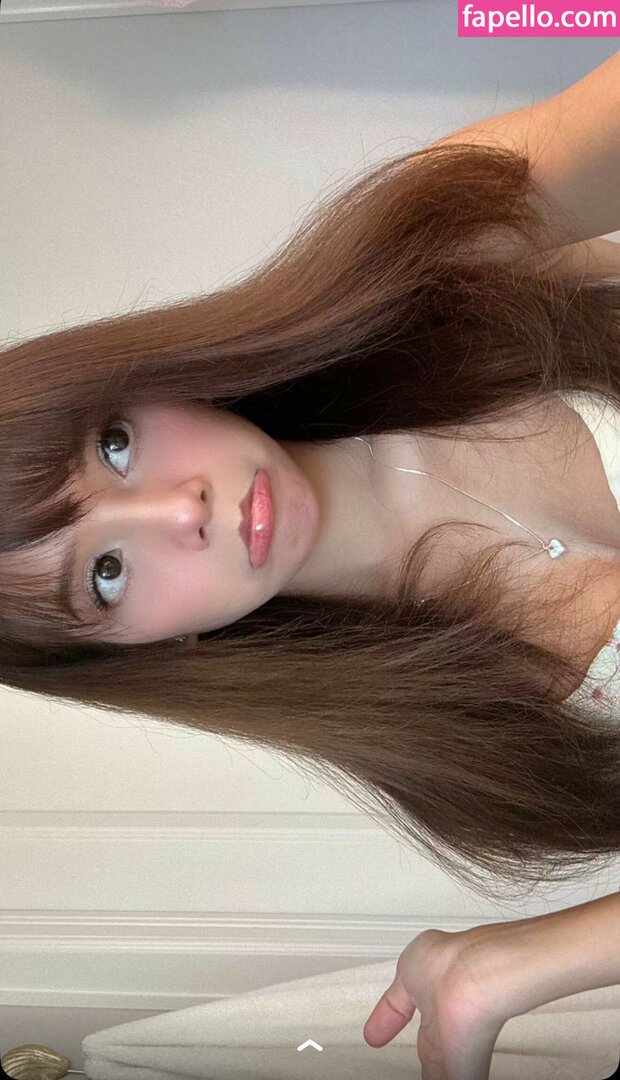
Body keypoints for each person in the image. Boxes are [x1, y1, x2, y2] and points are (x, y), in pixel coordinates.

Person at [3, 50, 620, 1080]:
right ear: (135, 648)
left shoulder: (421, 259)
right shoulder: (470, 747)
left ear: (134, 385)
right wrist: (520, 962)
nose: (179, 510)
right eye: (105, 574)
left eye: (113, 446)